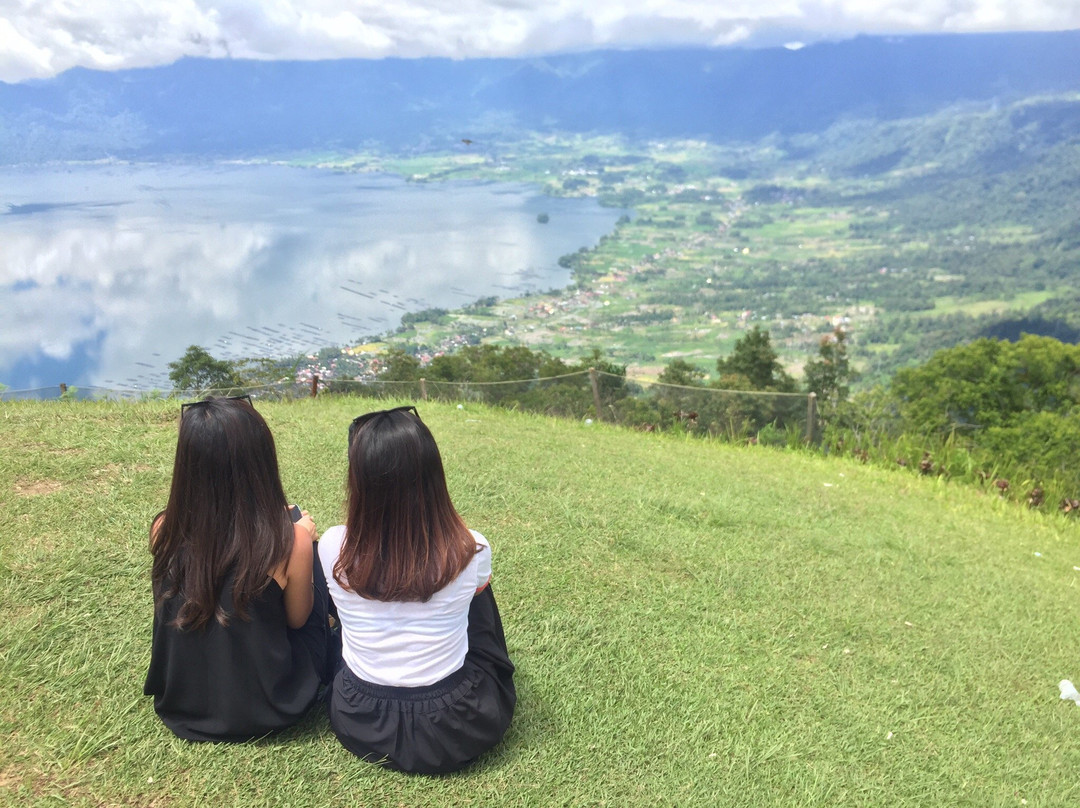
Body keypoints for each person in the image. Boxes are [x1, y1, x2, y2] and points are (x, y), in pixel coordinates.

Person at [319, 405, 515, 774]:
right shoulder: (470, 548)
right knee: (478, 595)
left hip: (359, 717)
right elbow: (479, 610)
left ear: (358, 481)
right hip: (459, 724)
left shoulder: (332, 546)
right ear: (432, 475)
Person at [144, 395, 335, 741]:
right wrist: (305, 537)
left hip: (183, 706)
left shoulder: (164, 529)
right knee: (313, 579)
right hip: (271, 707)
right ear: (260, 463)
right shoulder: (291, 541)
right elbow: (298, 620)